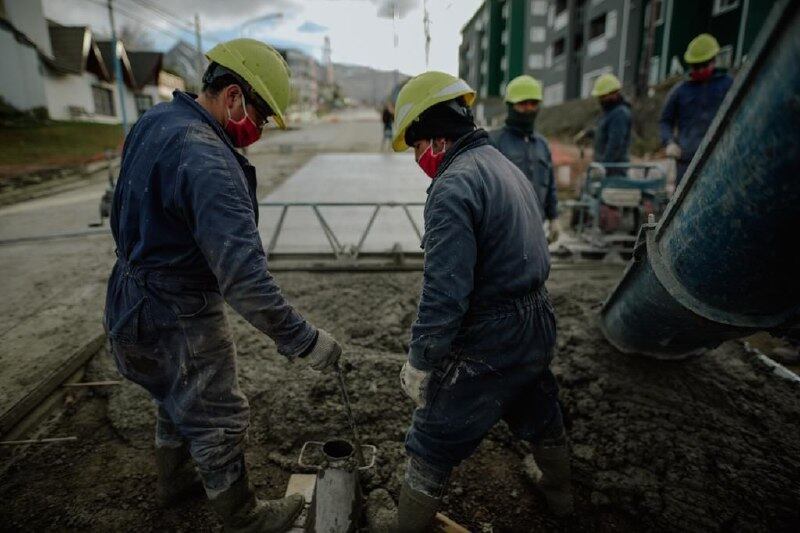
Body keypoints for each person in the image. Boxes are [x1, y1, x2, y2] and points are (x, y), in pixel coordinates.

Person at [103, 39, 343, 532]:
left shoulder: (155, 123)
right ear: (233, 96)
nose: (260, 130)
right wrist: (303, 339)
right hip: (179, 311)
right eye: (261, 116)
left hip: (130, 297)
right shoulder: (208, 158)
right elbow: (245, 279)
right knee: (216, 417)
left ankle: (176, 482)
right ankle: (244, 520)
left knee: (172, 395)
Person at [375, 71, 573, 531]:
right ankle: (560, 493)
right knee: (538, 404)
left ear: (437, 137)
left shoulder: (452, 187)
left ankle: (407, 526)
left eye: (416, 145)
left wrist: (422, 360)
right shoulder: (504, 164)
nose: (417, 157)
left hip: (492, 332)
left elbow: (444, 294)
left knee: (433, 435)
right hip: (537, 317)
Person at [489, 75, 560, 243]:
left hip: (536, 230)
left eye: (533, 104)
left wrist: (554, 217)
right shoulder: (492, 142)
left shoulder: (542, 144)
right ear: (510, 106)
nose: (529, 109)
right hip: (502, 234)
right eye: (522, 104)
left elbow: (550, 185)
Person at [659, 33, 733, 185]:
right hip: (687, 160)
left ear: (713, 61)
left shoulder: (728, 86)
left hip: (720, 157)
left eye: (703, 65)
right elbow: (665, 121)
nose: (699, 70)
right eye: (696, 66)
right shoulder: (680, 91)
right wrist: (669, 142)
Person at [590, 73, 632, 176]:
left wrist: (603, 167)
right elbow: (606, 133)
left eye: (603, 96)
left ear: (614, 94)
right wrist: (592, 133)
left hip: (613, 173)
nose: (600, 99)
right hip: (607, 169)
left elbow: (615, 144)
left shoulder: (619, 114)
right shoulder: (610, 112)